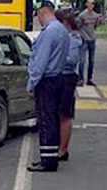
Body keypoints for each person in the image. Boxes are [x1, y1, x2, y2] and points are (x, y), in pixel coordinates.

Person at [27, 1, 69, 173]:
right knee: (52, 119)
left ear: (43, 12)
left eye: (38, 16)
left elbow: (40, 61)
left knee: (46, 121)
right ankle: (49, 157)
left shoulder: (49, 32)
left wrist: (31, 83)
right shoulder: (62, 30)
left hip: (47, 81)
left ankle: (48, 161)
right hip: (58, 78)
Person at [55, 8, 82, 162]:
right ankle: (58, 147)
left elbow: (71, 60)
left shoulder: (72, 37)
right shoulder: (64, 35)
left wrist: (52, 59)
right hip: (60, 76)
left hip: (66, 77)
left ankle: (62, 150)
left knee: (64, 114)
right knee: (57, 113)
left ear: (64, 22)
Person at [76, 0, 104, 86]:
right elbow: (78, 26)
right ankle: (81, 78)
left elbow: (95, 26)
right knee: (82, 61)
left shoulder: (95, 15)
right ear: (86, 4)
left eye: (93, 4)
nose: (91, 5)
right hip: (84, 39)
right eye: (89, 3)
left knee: (91, 61)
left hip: (92, 39)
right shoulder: (82, 15)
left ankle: (90, 79)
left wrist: (100, 21)